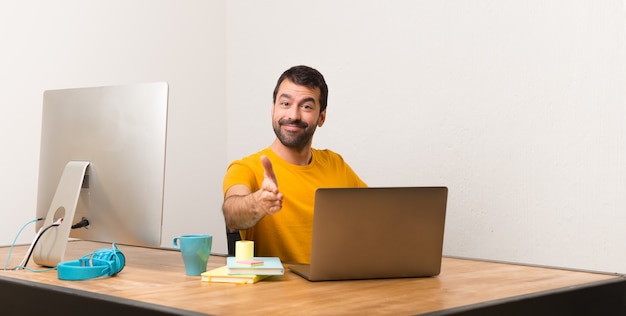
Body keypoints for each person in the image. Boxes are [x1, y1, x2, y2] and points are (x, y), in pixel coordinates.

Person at [222, 65, 367, 264]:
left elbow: (376, 215)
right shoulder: (246, 168)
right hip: (275, 290)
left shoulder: (335, 164)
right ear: (273, 109)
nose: (293, 115)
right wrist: (259, 202)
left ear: (321, 117)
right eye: (285, 103)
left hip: (334, 288)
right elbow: (232, 214)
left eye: (306, 106)